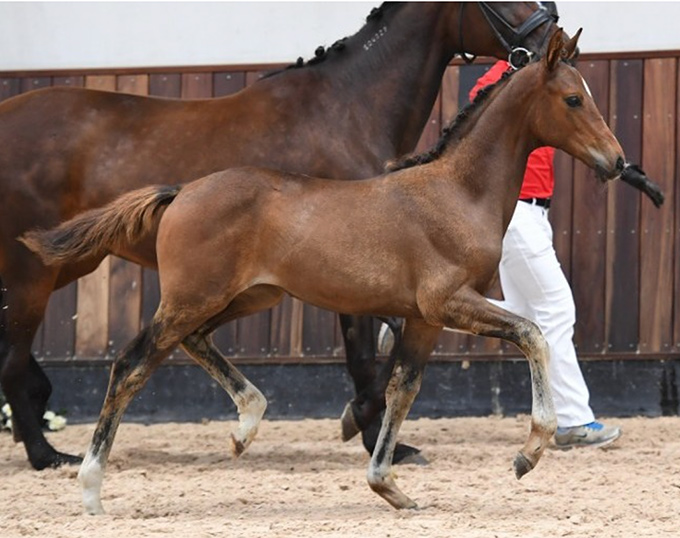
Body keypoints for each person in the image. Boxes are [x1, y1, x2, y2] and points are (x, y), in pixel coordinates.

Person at [379, 59, 621, 449]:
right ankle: (574, 420)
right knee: (557, 308)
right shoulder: (505, 78)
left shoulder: (553, 77)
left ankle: (412, 317)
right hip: (516, 210)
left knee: (527, 315)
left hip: (535, 210)